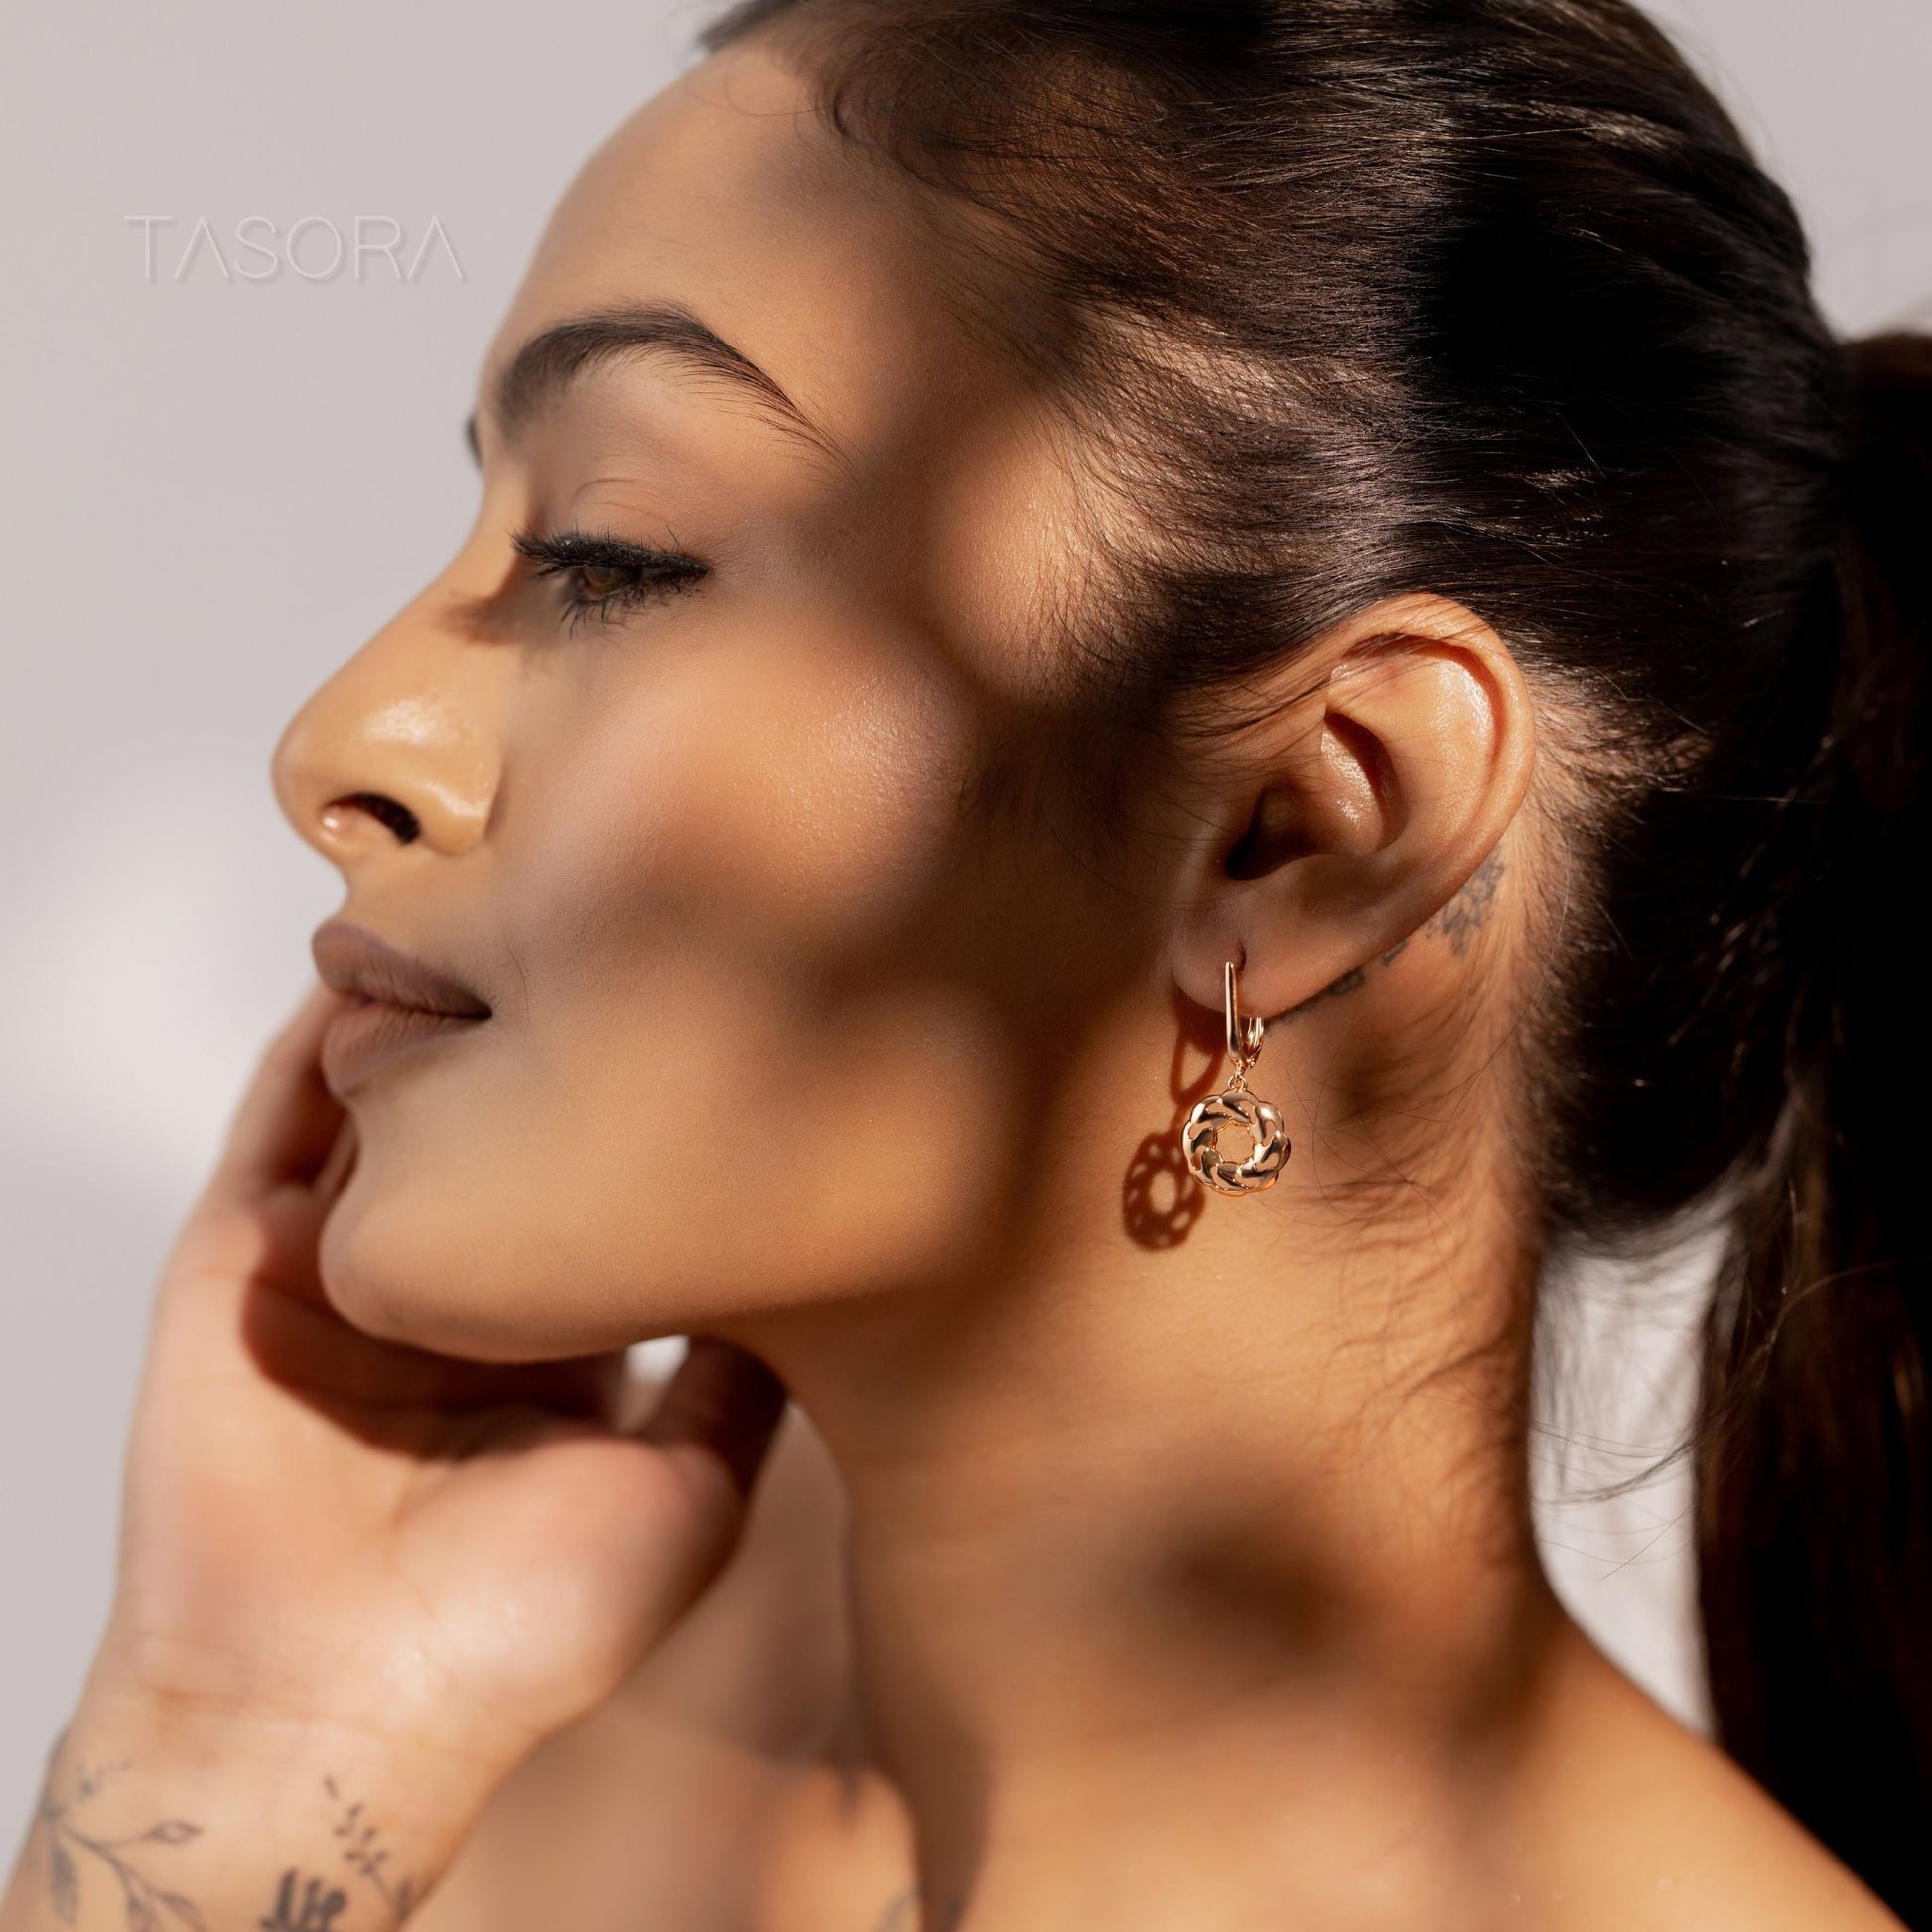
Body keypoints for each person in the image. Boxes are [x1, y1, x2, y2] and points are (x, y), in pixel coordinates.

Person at [5, 1, 1929, 1926]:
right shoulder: (436, 1790)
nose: (339, 742)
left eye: (609, 551)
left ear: (1308, 828)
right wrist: (234, 1740)